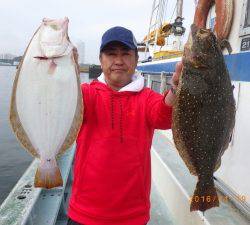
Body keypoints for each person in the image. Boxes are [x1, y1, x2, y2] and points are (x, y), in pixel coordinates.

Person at [67, 26, 182, 225]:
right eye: (111, 54)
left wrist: (177, 88)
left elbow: (164, 116)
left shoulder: (147, 98)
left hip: (132, 216)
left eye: (126, 54)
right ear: (101, 60)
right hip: (83, 213)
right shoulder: (85, 94)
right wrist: (65, 70)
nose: (118, 61)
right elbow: (60, 105)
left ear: (136, 60)